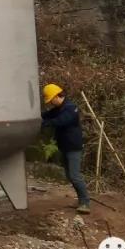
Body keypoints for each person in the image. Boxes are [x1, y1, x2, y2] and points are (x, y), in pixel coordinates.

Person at [42, 83, 91, 214]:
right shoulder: (58, 108)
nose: (50, 103)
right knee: (70, 175)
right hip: (64, 147)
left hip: (73, 147)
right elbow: (47, 114)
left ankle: (85, 202)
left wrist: (45, 123)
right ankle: (82, 199)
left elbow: (61, 121)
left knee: (75, 176)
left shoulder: (71, 108)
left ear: (57, 96)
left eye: (51, 100)